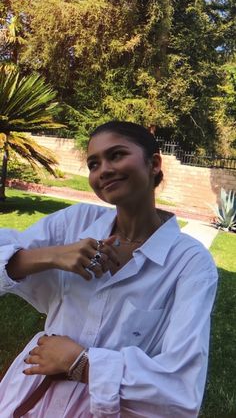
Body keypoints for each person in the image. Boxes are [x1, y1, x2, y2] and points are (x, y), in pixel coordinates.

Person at [0, 121, 218, 418]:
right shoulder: (75, 223)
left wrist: (80, 363)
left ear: (154, 163)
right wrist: (53, 255)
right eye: (93, 163)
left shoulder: (189, 263)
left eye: (116, 155)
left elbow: (181, 392)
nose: (103, 170)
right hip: (28, 396)